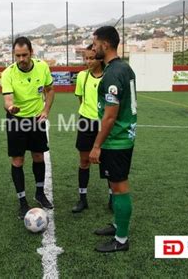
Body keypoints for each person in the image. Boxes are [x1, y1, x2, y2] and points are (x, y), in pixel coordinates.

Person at [89, 26, 137, 253]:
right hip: (122, 137)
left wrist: (97, 145)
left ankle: (121, 239)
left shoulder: (112, 73)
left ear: (105, 44)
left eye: (95, 43)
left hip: (117, 140)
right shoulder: (124, 68)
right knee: (115, 184)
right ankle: (118, 225)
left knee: (119, 188)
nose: (93, 47)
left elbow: (110, 116)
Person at [1, 36, 55, 219]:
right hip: (16, 120)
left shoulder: (42, 67)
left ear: (31, 52)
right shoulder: (8, 73)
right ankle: (22, 201)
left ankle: (39, 193)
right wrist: (11, 107)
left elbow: (50, 90)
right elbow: (7, 100)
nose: (21, 59)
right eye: (18, 56)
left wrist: (46, 110)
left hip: (36, 119)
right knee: (17, 161)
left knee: (38, 156)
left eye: (24, 55)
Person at [71, 44, 108, 213]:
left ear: (100, 58)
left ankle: (112, 198)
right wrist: (87, 114)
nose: (88, 61)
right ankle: (82, 199)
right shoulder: (81, 77)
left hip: (104, 123)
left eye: (91, 58)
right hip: (86, 122)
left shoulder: (109, 77)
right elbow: (81, 99)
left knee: (107, 162)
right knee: (84, 161)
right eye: (85, 58)